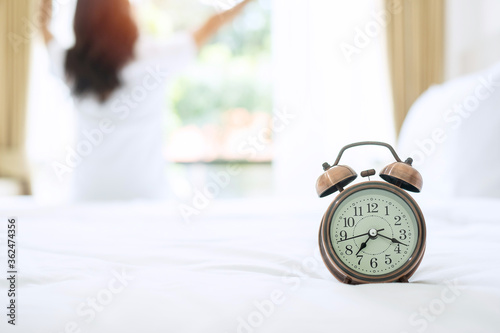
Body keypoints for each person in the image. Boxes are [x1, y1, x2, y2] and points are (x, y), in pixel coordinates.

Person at [39, 0, 253, 201]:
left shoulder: (70, 64)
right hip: (147, 195)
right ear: (127, 14)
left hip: (88, 195)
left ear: (80, 20)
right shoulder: (157, 56)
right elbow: (212, 24)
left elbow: (43, 25)